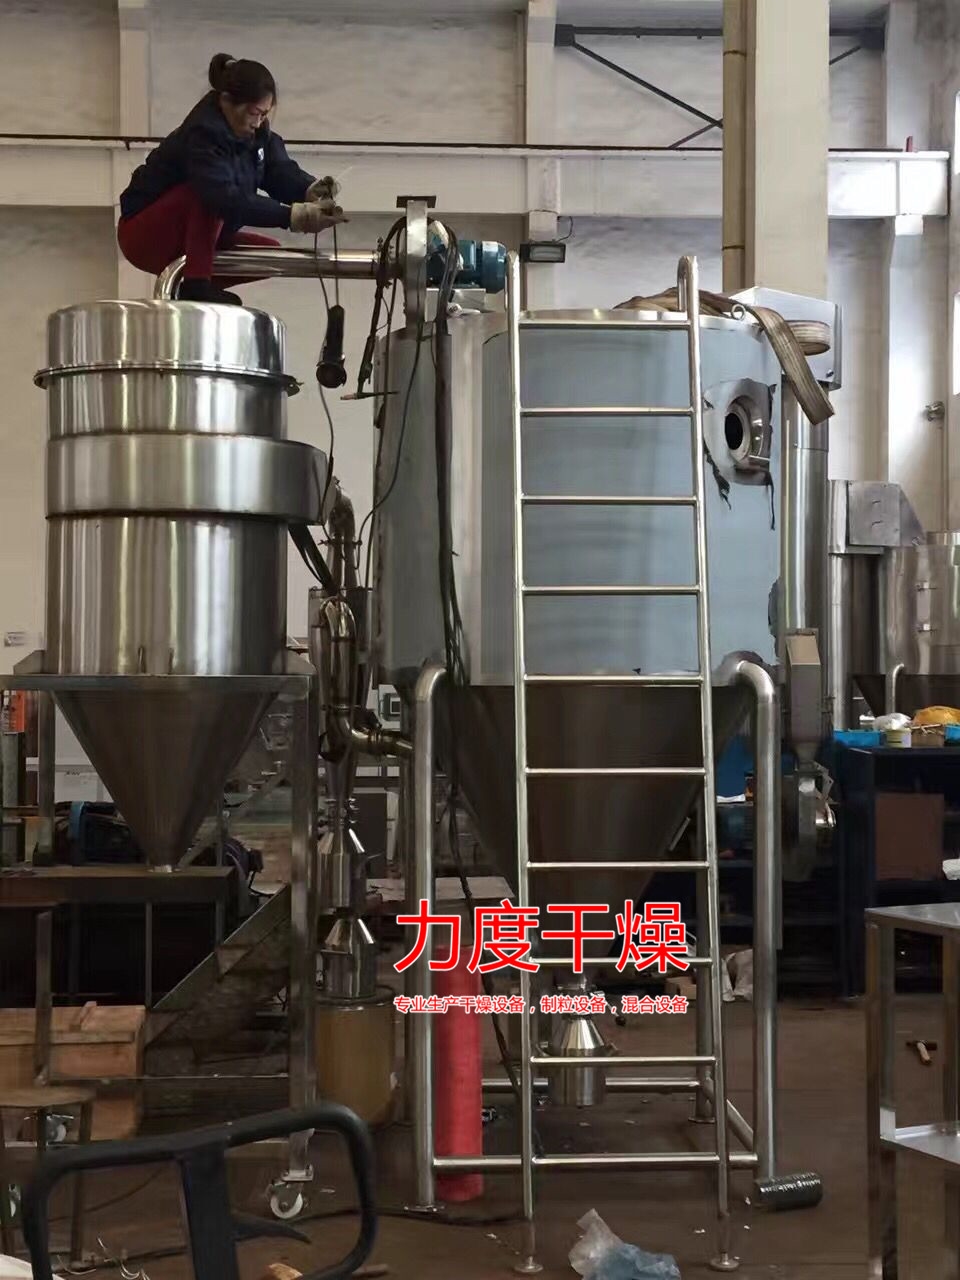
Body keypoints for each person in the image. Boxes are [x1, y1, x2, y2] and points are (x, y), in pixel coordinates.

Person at [118, 53, 344, 303]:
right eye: (254, 113)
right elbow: (224, 198)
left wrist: (308, 189)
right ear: (226, 101)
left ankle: (196, 285)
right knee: (206, 195)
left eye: (264, 114)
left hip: (194, 236)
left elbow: (277, 170)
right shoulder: (202, 136)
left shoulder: (257, 135)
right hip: (143, 235)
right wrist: (293, 216)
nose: (258, 122)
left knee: (269, 256)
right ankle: (196, 285)